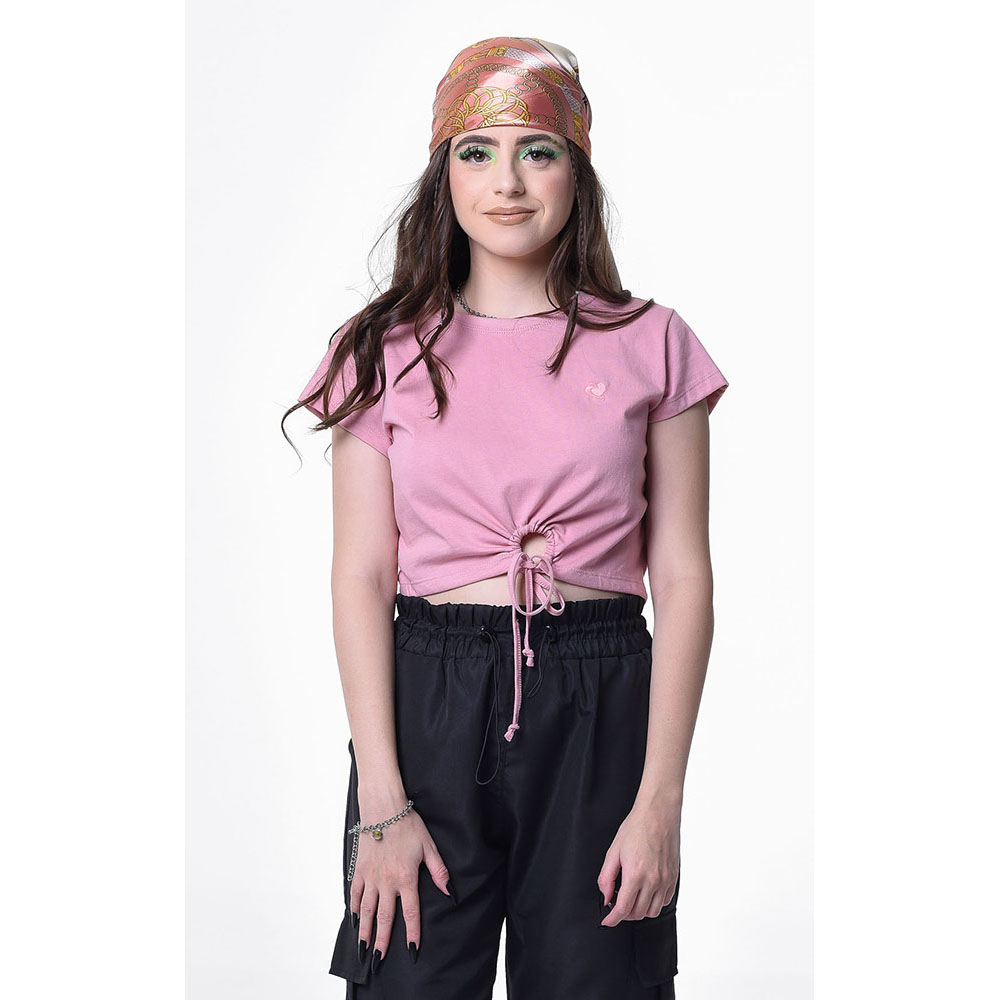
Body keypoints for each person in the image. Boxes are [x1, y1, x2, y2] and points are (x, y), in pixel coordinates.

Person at [282, 36, 729, 1000]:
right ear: (443, 171)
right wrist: (382, 801)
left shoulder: (655, 342)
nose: (508, 182)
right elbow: (361, 574)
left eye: (539, 150)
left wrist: (660, 803)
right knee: (407, 978)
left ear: (578, 169)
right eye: (477, 151)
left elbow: (684, 576)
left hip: (600, 695)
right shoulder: (381, 348)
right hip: (428, 695)